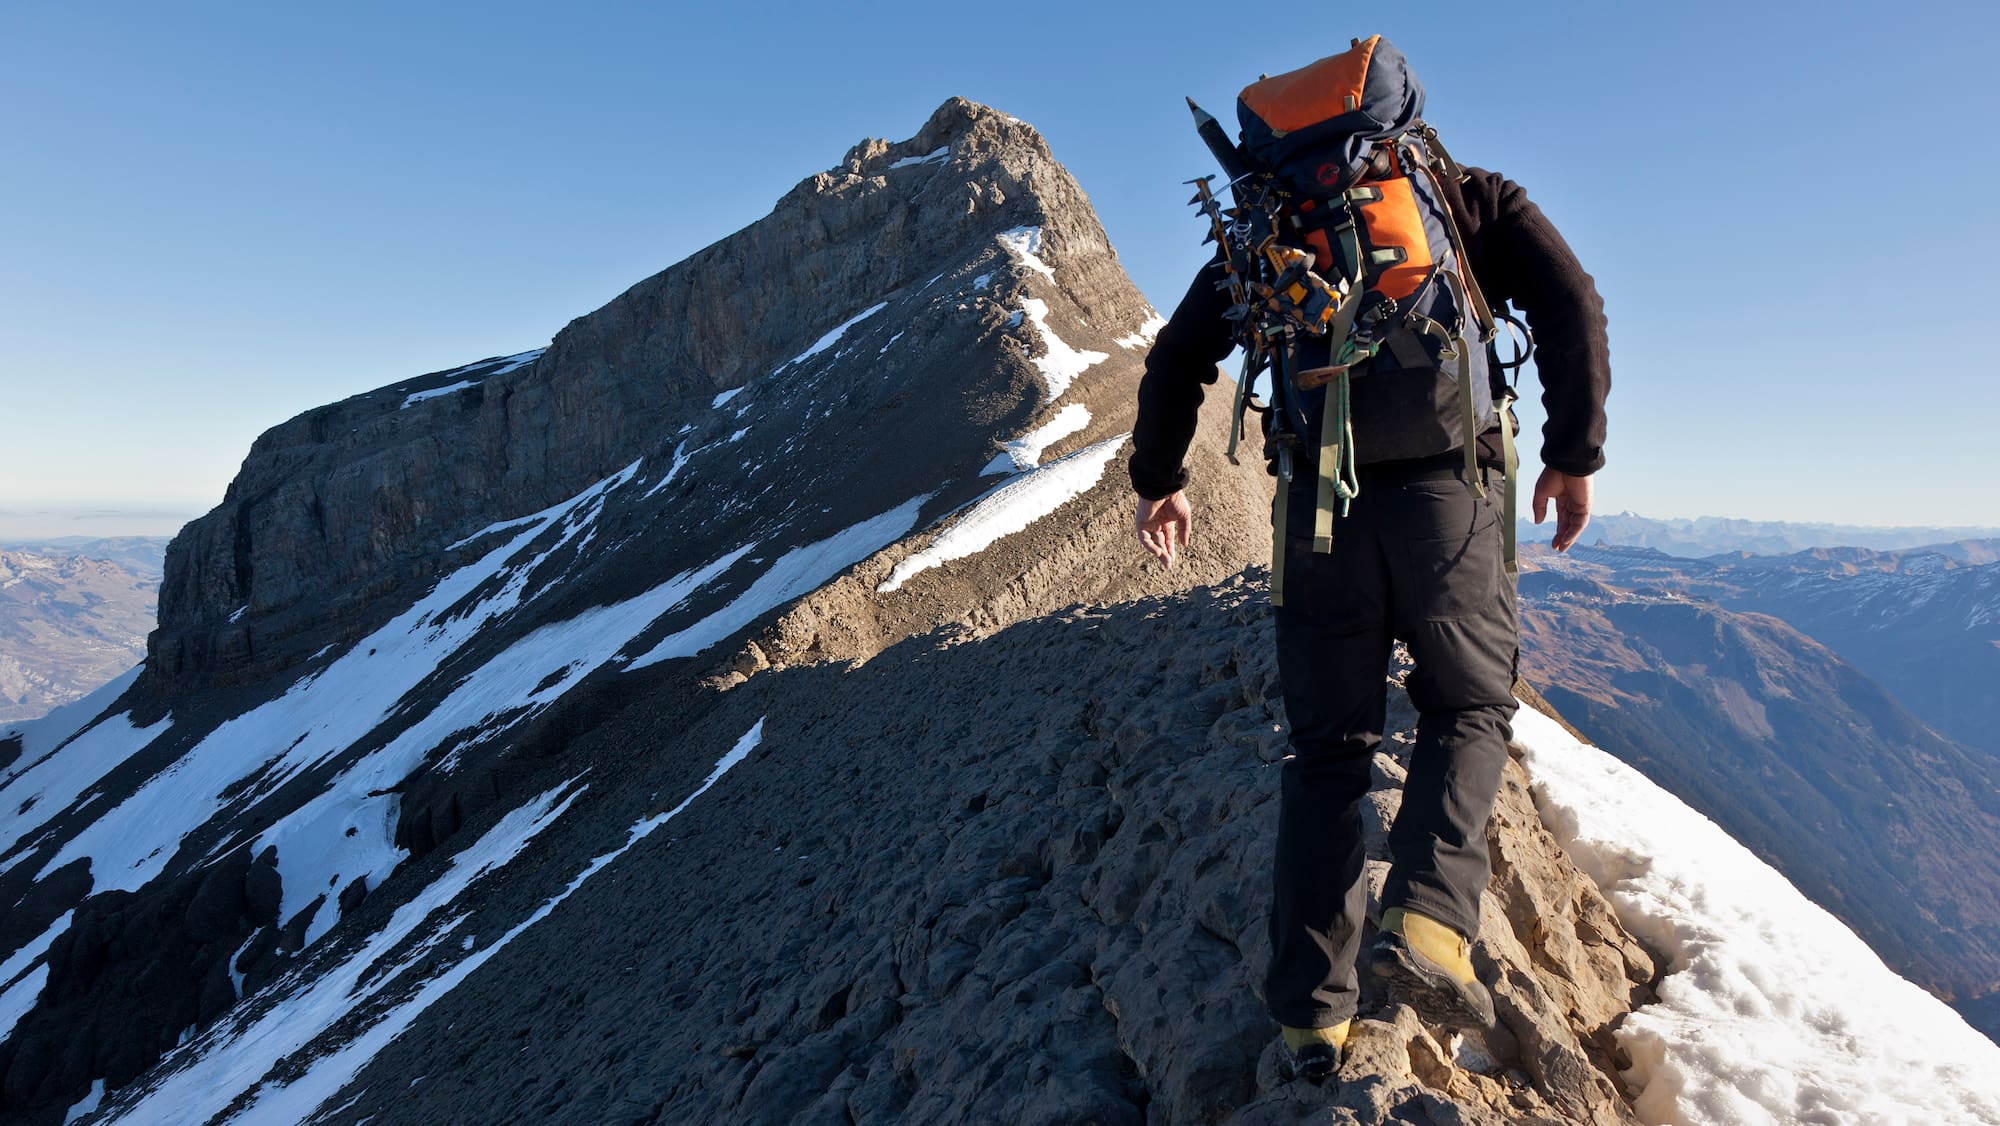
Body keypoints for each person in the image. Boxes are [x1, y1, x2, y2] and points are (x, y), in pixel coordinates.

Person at [1129, 40, 1609, 1083]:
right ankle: (1430, 919)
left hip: (1315, 512)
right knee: (1467, 706)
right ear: (1400, 116)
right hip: (1448, 492)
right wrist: (1571, 457)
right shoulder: (1463, 197)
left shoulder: (1267, 226)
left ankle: (1309, 1020)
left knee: (1324, 755)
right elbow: (1571, 302)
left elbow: (1177, 359)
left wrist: (1157, 479)